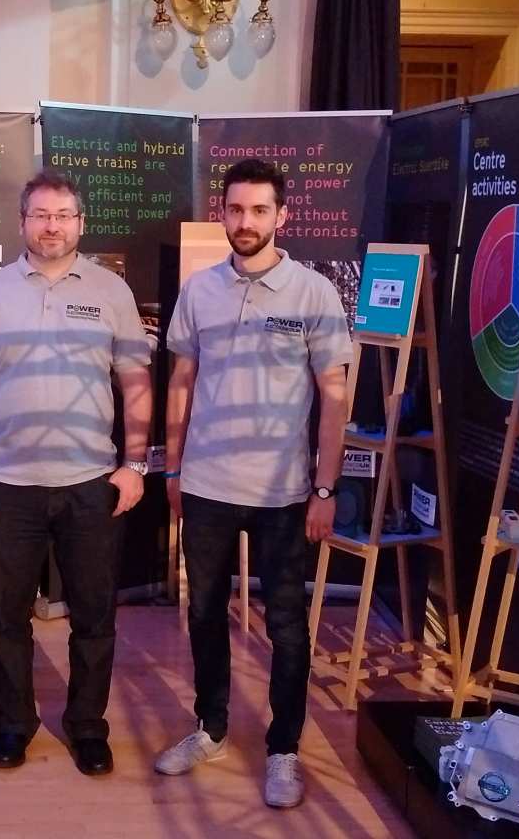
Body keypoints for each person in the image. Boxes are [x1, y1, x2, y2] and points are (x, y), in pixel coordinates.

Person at [154, 158, 352, 808]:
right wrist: (175, 468)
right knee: (205, 613)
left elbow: (334, 398)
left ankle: (283, 750)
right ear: (223, 214)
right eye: (236, 210)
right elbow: (180, 384)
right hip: (207, 483)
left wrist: (325, 489)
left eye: (259, 210)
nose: (246, 222)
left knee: (288, 627)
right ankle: (210, 728)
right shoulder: (200, 291)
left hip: (284, 492)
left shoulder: (314, 294)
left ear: (282, 215)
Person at [0, 171, 153, 776]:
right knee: (9, 620)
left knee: (94, 617)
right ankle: (14, 724)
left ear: (80, 223)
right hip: (8, 484)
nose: (52, 225)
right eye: (41, 214)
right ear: (22, 222)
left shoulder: (112, 290)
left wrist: (135, 464)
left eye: (64, 215)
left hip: (92, 483)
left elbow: (136, 380)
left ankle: (87, 726)